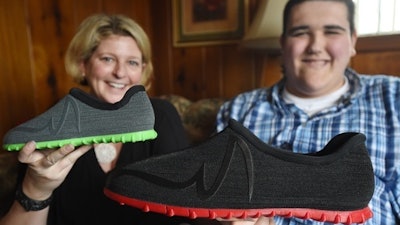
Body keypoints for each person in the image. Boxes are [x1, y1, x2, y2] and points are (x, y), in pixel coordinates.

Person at [0, 14, 194, 225]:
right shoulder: (54, 128)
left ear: (143, 70)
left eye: (132, 62)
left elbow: (186, 206)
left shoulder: (161, 116)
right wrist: (36, 189)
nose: (120, 72)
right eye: (107, 59)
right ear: (84, 64)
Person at [217, 0, 400, 225]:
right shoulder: (236, 111)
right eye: (301, 32)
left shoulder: (393, 98)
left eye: (332, 31)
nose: (315, 46)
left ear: (352, 41)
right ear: (283, 44)